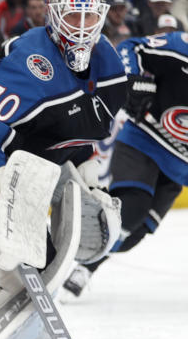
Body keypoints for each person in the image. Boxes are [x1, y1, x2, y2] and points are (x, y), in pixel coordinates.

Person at [0, 0, 128, 339]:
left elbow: (80, 138)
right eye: (72, 13)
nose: (80, 25)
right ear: (53, 13)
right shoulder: (29, 59)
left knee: (49, 255)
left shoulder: (110, 67)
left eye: (89, 15)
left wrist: (89, 180)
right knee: (9, 256)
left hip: (36, 171)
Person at [63, 31, 188, 296]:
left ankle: (86, 262)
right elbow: (132, 47)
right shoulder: (180, 48)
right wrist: (134, 81)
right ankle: (66, 259)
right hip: (145, 139)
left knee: (135, 234)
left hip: (179, 166)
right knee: (132, 207)